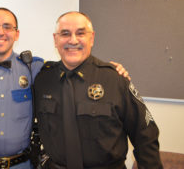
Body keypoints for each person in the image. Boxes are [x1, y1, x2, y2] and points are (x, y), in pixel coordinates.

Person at [0, 7, 130, 169]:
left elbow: (71, 64)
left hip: (21, 165)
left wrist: (110, 71)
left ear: (17, 34)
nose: (1, 32)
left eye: (8, 27)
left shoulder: (34, 68)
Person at [34, 11, 163, 169]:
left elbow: (145, 135)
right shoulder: (42, 80)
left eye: (80, 33)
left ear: (92, 38)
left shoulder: (115, 79)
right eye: (65, 33)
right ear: (55, 39)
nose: (73, 40)